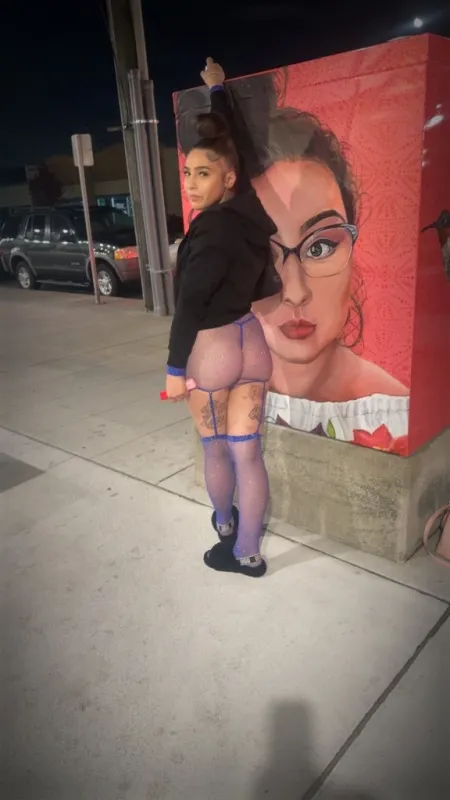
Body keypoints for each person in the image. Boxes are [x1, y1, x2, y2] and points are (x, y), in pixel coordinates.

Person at [165, 58, 279, 577]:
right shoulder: (248, 205)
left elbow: (190, 303)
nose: (191, 184)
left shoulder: (209, 229)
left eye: (203, 174)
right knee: (248, 454)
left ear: (226, 178)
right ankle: (249, 555)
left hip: (212, 351)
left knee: (215, 451)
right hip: (251, 341)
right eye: (188, 173)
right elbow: (239, 149)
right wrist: (217, 92)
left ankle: (226, 530)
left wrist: (173, 369)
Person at [248, 106, 409, 450]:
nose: (294, 292)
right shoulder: (223, 392)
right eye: (261, 254)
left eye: (319, 247)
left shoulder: (397, 417)